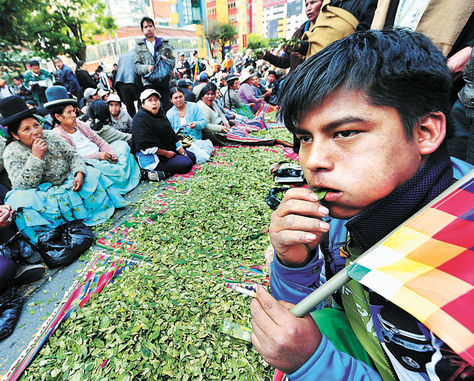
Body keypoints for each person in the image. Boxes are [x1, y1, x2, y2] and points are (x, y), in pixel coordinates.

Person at [250, 29, 473, 380]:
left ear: (425, 132)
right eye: (305, 138)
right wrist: (294, 262)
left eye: (344, 133)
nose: (313, 162)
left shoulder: (461, 258)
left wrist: (317, 365)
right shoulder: (347, 209)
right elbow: (307, 310)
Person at [0, 95, 126, 244]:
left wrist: (79, 172)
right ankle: (57, 232)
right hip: (45, 196)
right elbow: (23, 185)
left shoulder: (51, 136)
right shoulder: (12, 152)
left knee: (91, 172)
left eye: (36, 125)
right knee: (18, 200)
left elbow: (74, 156)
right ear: (15, 135)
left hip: (69, 183)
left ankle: (88, 216)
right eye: (26, 129)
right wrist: (36, 157)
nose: (35, 132)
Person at [45, 86, 140, 195]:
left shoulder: (80, 125)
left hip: (103, 155)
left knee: (121, 145)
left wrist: (110, 152)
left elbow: (99, 140)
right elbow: (72, 160)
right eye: (69, 113)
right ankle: (120, 180)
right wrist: (98, 156)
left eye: (73, 111)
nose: (74, 115)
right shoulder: (57, 135)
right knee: (96, 170)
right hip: (89, 162)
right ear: (58, 117)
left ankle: (123, 176)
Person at [131, 89, 196, 181]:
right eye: (150, 100)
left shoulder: (161, 114)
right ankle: (151, 173)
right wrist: (166, 153)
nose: (154, 103)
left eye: (156, 100)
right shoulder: (140, 119)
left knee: (192, 157)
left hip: (167, 150)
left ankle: (166, 171)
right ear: (143, 104)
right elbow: (145, 146)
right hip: (153, 157)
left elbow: (172, 136)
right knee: (187, 163)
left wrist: (181, 151)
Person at [260, 0, 323, 73]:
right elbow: (286, 62)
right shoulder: (299, 33)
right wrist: (266, 55)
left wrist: (303, 50)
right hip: (295, 82)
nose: (308, 8)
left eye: (313, 2)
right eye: (306, 5)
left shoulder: (328, 31)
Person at [134, 17, 175, 112]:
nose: (148, 28)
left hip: (164, 82)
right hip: (149, 84)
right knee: (153, 111)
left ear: (154, 27)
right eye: (145, 27)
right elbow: (136, 67)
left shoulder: (164, 43)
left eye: (150, 26)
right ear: (142, 30)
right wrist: (147, 68)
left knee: (168, 110)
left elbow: (173, 62)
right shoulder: (139, 46)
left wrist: (166, 61)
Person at [115, 50, 141, 118]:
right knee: (142, 102)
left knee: (129, 106)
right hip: (133, 81)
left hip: (120, 83)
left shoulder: (122, 56)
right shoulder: (137, 54)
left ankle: (134, 122)